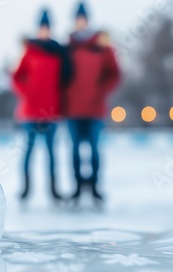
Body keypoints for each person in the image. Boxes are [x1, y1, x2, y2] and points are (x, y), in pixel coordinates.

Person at [12, 9, 72, 203]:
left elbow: (65, 80)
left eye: (47, 27)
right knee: (28, 153)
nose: (44, 31)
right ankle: (26, 190)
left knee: (51, 153)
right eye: (42, 27)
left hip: (51, 111)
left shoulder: (58, 52)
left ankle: (54, 190)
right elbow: (16, 77)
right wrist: (27, 92)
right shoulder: (30, 50)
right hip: (31, 112)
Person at [65, 3, 121, 204]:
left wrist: (101, 91)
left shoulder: (102, 46)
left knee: (95, 149)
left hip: (95, 108)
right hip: (72, 109)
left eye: (83, 19)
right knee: (75, 150)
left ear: (87, 20)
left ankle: (96, 187)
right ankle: (78, 187)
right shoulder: (68, 47)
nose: (80, 22)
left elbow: (114, 74)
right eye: (77, 19)